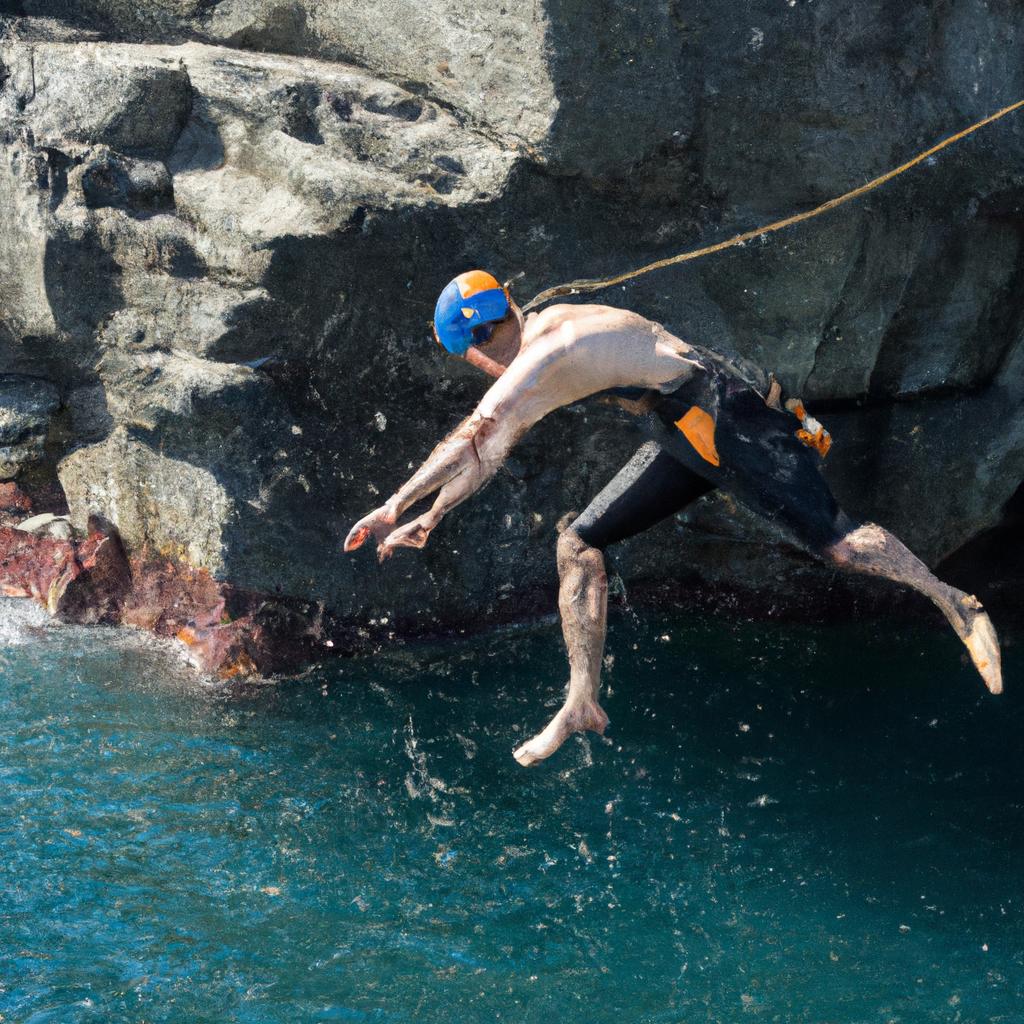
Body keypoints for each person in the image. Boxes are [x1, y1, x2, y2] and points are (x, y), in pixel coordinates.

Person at [344, 270, 1003, 766]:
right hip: (685, 426)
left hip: (728, 416)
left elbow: (477, 432)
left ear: (480, 338)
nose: (478, 368)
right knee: (579, 543)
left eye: (470, 355)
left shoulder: (549, 351)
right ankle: (581, 699)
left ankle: (957, 603)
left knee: (840, 546)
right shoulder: (540, 327)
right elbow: (493, 444)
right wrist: (431, 517)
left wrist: (394, 504)